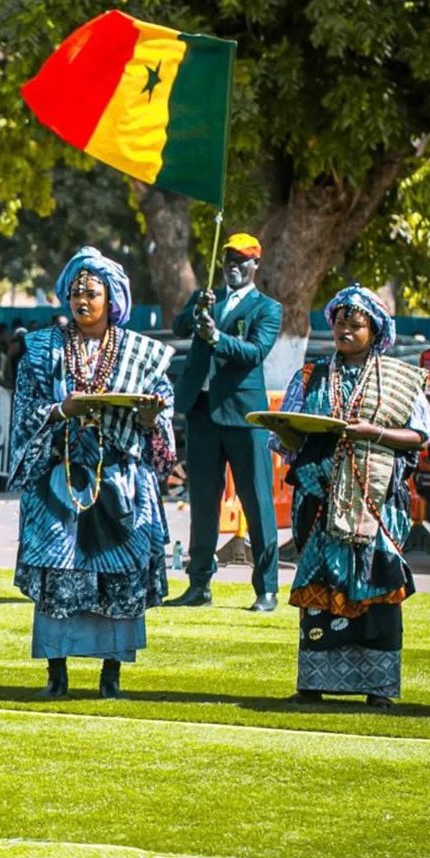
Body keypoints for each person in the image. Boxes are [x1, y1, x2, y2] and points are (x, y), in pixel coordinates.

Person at [8, 246, 175, 699]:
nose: (82, 300)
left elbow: (161, 425)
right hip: (58, 482)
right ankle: (56, 674)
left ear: (112, 299)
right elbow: (24, 413)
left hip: (120, 482)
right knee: (59, 576)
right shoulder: (43, 351)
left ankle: (110, 676)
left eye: (93, 292)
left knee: (117, 577)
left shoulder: (143, 354)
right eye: (76, 292)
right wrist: (64, 408)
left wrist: (148, 418)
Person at [269, 284, 430, 708]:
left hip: (375, 501)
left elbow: (423, 434)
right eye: (341, 320)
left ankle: (378, 689)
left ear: (375, 330)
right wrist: (287, 430)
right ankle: (312, 684)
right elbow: (288, 438)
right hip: (321, 499)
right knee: (319, 584)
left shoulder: (399, 379)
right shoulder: (311, 376)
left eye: (355, 322)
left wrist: (374, 433)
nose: (345, 328)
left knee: (376, 583)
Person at [167, 232, 283, 610]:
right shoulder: (208, 297)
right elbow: (179, 328)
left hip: (243, 415)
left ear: (256, 265)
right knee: (202, 501)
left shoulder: (267, 308)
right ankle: (198, 584)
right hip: (202, 412)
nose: (234, 266)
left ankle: (266, 589)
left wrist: (216, 337)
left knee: (256, 501)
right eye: (229, 259)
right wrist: (196, 309)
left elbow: (254, 353)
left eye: (242, 260)